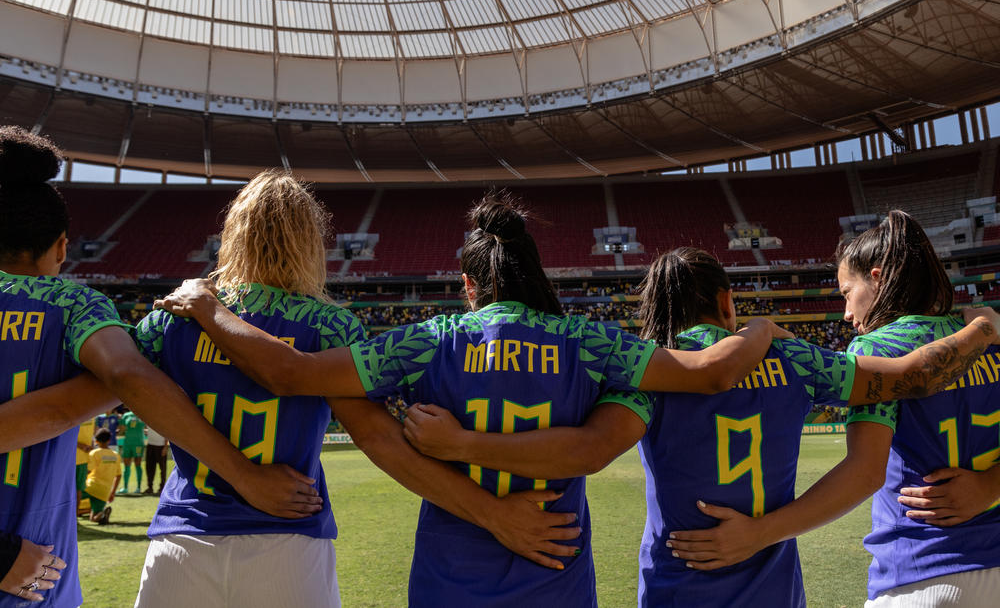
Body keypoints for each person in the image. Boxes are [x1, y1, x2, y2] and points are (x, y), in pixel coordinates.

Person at [153, 193, 993, 607]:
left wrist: (206, 306)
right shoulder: (591, 346)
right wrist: (760, 337)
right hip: (561, 576)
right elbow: (685, 386)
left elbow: (295, 374)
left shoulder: (428, 339)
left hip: (449, 580)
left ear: (469, 281)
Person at [400, 246, 1000, 606]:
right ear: (726, 299)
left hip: (675, 586)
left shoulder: (653, 373)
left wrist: (462, 443)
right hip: (772, 589)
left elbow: (591, 447)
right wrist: (980, 327)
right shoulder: (793, 358)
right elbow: (903, 378)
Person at [132, 173, 580, 608]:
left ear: (233, 232)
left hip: (181, 537)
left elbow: (125, 384)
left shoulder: (176, 313)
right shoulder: (329, 324)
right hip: (286, 542)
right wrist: (492, 513)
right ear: (311, 242)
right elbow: (378, 438)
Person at [0, 127, 321, 607]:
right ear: (63, 247)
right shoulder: (72, 305)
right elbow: (127, 376)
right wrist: (244, 474)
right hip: (32, 575)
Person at [668, 211, 1000, 606]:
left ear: (877, 278)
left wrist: (759, 533)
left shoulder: (878, 346)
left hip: (924, 569)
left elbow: (864, 473)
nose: (845, 313)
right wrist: (988, 486)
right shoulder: (985, 333)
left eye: (846, 292)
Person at [83, 428, 120, 525]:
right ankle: (102, 514)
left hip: (91, 486)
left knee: (73, 498)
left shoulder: (94, 453)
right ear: (109, 441)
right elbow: (118, 475)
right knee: (93, 519)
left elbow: (88, 471)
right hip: (104, 491)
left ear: (96, 441)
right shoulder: (116, 455)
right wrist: (112, 492)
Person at [117, 408, 145, 494]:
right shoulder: (126, 415)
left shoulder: (143, 414)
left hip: (138, 443)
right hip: (127, 443)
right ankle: (125, 487)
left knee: (138, 464)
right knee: (126, 465)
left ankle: (138, 487)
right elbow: (121, 430)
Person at [75, 417, 95, 515]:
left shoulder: (93, 415)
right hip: (70, 458)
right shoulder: (76, 413)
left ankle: (74, 516)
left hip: (83, 459)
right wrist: (80, 445)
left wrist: (91, 446)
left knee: (78, 489)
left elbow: (91, 435)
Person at [143, 427, 168, 496]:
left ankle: (162, 488)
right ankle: (150, 488)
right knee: (149, 468)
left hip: (161, 446)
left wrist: (165, 447)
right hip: (150, 445)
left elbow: (167, 433)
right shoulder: (149, 419)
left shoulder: (163, 420)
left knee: (162, 469)